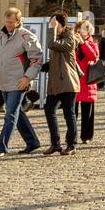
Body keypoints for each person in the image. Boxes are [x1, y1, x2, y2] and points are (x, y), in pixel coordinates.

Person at [0, 7, 44, 158]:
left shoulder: (26, 36)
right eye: (6, 21)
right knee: (16, 113)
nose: (8, 24)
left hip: (19, 82)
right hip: (3, 82)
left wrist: (27, 77)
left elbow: (37, 59)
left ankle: (1, 147)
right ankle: (32, 142)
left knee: (10, 115)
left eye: (11, 22)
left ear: (18, 22)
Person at [43, 12, 80, 156]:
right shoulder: (57, 37)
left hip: (68, 82)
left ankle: (71, 144)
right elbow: (57, 58)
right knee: (49, 110)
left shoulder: (70, 37)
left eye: (54, 24)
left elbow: (52, 45)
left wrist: (52, 29)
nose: (52, 26)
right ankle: (55, 144)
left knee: (69, 114)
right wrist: (45, 65)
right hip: (55, 83)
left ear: (61, 25)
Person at [74, 18, 100, 144]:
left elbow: (93, 56)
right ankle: (72, 136)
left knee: (87, 112)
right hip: (74, 80)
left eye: (85, 28)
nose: (81, 31)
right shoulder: (73, 42)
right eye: (80, 28)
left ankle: (86, 136)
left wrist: (83, 43)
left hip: (87, 81)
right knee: (72, 112)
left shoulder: (92, 43)